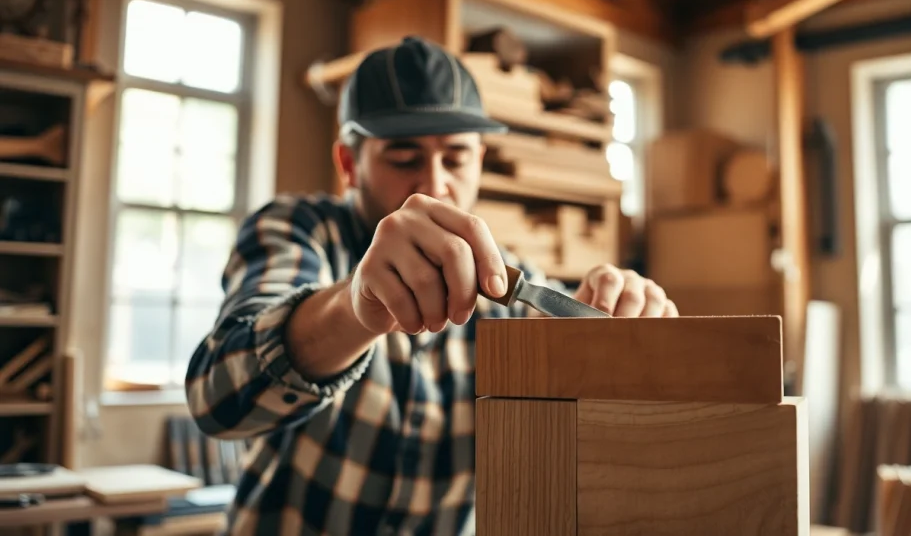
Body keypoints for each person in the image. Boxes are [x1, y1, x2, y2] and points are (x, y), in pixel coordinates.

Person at [185, 36, 677, 536]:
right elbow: (217, 401)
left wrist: (627, 324)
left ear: (480, 160)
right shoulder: (298, 230)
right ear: (350, 164)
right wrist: (354, 308)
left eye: (456, 158)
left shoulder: (506, 285)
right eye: (404, 159)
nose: (435, 185)